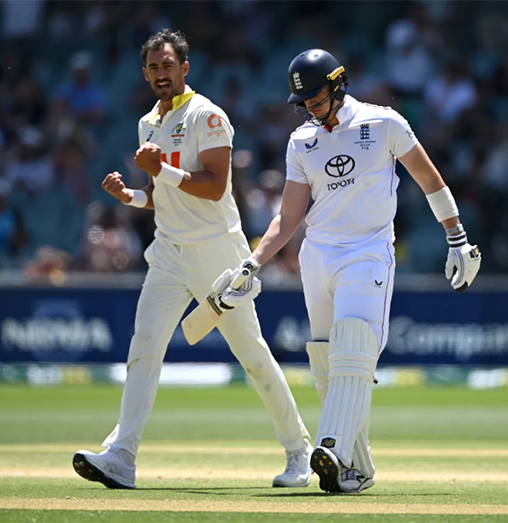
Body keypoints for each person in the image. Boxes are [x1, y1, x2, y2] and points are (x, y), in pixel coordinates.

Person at [219, 49, 482, 493]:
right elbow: (289, 218)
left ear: (338, 84)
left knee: (354, 349)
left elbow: (429, 178)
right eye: (303, 103)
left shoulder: (385, 123)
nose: (309, 109)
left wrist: (456, 236)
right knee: (325, 359)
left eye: (316, 98)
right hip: (317, 255)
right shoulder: (302, 140)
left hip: (369, 251)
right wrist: (251, 262)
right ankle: (355, 470)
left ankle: (332, 447)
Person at [72, 29, 312, 490]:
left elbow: (215, 186)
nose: (162, 74)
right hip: (168, 252)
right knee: (144, 347)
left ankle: (299, 452)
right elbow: (166, 197)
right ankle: (122, 457)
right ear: (144, 74)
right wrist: (132, 195)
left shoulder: (208, 115)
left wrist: (159, 169)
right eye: (154, 67)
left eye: (169, 65)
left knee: (253, 355)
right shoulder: (148, 123)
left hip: (216, 250)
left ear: (185, 67)